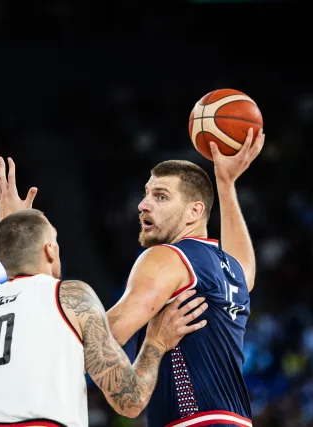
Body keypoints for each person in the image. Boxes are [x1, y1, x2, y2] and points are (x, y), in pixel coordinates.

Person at [0, 157, 210, 427]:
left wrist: (3, 230)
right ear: (49, 250)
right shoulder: (70, 297)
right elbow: (129, 401)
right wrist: (156, 342)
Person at [107, 129, 265, 427]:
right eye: (146, 194)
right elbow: (246, 267)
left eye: (161, 196)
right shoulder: (230, 271)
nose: (143, 204)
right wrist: (226, 183)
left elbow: (106, 335)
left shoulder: (167, 257)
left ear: (195, 212)